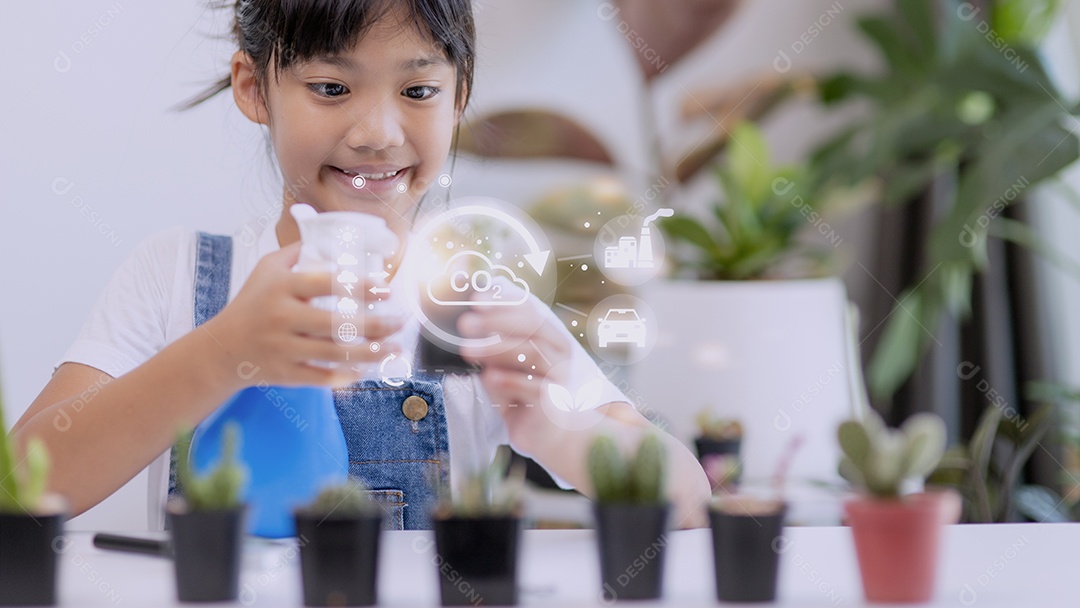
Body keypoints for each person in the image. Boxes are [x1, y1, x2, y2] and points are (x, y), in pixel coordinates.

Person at [11, 0, 710, 529]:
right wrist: (222, 354)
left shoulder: (472, 307)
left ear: (460, 97)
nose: (376, 133)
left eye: (418, 91)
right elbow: (25, 480)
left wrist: (554, 427)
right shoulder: (177, 274)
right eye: (331, 88)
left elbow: (687, 497)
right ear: (255, 89)